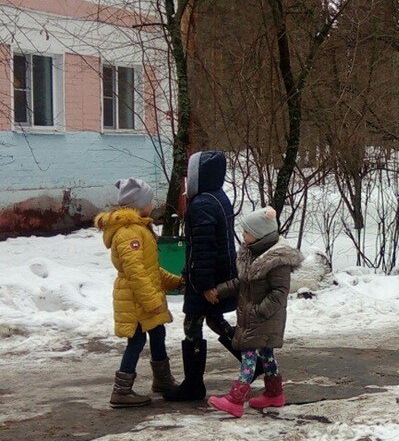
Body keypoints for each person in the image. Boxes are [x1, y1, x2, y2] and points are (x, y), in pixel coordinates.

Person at [165, 150, 249, 402]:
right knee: (213, 320)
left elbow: (202, 248)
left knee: (193, 325)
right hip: (216, 273)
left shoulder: (201, 204)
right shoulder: (217, 198)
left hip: (206, 279)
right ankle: (253, 363)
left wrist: (202, 284)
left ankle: (193, 384)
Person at [95, 178, 183, 408]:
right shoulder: (129, 233)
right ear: (138, 204)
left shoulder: (139, 229)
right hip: (136, 299)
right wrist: (152, 301)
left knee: (157, 333)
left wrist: (175, 282)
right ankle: (121, 391)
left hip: (141, 296)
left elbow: (149, 268)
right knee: (136, 339)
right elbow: (136, 273)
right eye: (149, 200)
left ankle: (162, 380)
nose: (152, 204)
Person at [208, 207, 303, 417]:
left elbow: (280, 292)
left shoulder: (277, 260)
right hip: (256, 317)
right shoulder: (253, 253)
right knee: (266, 354)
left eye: (246, 232)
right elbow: (242, 283)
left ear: (260, 234)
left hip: (264, 317)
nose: (243, 236)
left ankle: (236, 398)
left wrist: (259, 312)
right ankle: (274, 393)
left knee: (249, 354)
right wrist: (219, 292)